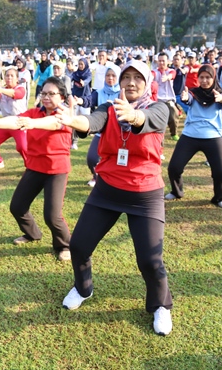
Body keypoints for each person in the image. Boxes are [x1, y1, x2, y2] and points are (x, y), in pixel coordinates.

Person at [55, 59, 173, 336]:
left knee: (150, 261)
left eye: (137, 78)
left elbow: (150, 120)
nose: (131, 83)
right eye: (126, 77)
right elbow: (93, 121)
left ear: (147, 83)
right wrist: (74, 120)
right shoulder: (109, 108)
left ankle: (160, 306)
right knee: (80, 246)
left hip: (145, 193)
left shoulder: (159, 108)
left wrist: (133, 116)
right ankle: (83, 288)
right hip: (107, 189)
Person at [0, 76, 72, 261]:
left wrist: (32, 123)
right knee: (18, 206)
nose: (46, 97)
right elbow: (16, 120)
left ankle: (64, 245)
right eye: (43, 93)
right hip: (35, 167)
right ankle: (32, 234)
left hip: (56, 170)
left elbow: (53, 123)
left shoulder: (65, 116)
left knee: (52, 216)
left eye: (51, 94)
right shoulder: (34, 113)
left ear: (61, 96)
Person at [166, 65, 222, 208]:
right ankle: (177, 192)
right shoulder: (193, 93)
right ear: (198, 78)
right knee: (174, 167)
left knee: (221, 172)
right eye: (202, 77)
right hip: (191, 135)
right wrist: (185, 97)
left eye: (208, 77)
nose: (205, 80)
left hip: (213, 136)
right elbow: (188, 98)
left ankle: (220, 197)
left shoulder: (220, 94)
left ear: (213, 78)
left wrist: (220, 98)